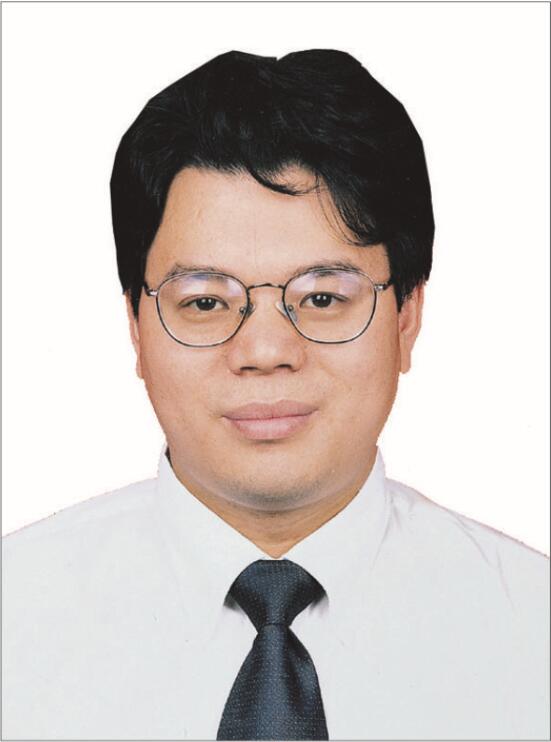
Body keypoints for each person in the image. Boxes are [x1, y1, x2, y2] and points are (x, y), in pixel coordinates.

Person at [2, 49, 548, 741]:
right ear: (135, 328)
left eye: (322, 298)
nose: (264, 352)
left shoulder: (530, 632)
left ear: (406, 318)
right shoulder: (14, 622)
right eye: (205, 302)